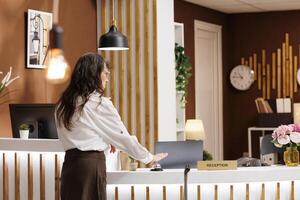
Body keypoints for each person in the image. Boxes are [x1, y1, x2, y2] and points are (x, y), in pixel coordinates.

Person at [55, 52, 168, 200]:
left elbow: (84, 131)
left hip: (70, 167)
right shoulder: (98, 103)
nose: (107, 79)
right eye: (105, 73)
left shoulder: (62, 105)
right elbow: (122, 137)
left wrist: (107, 141)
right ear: (94, 75)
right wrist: (149, 158)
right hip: (90, 168)